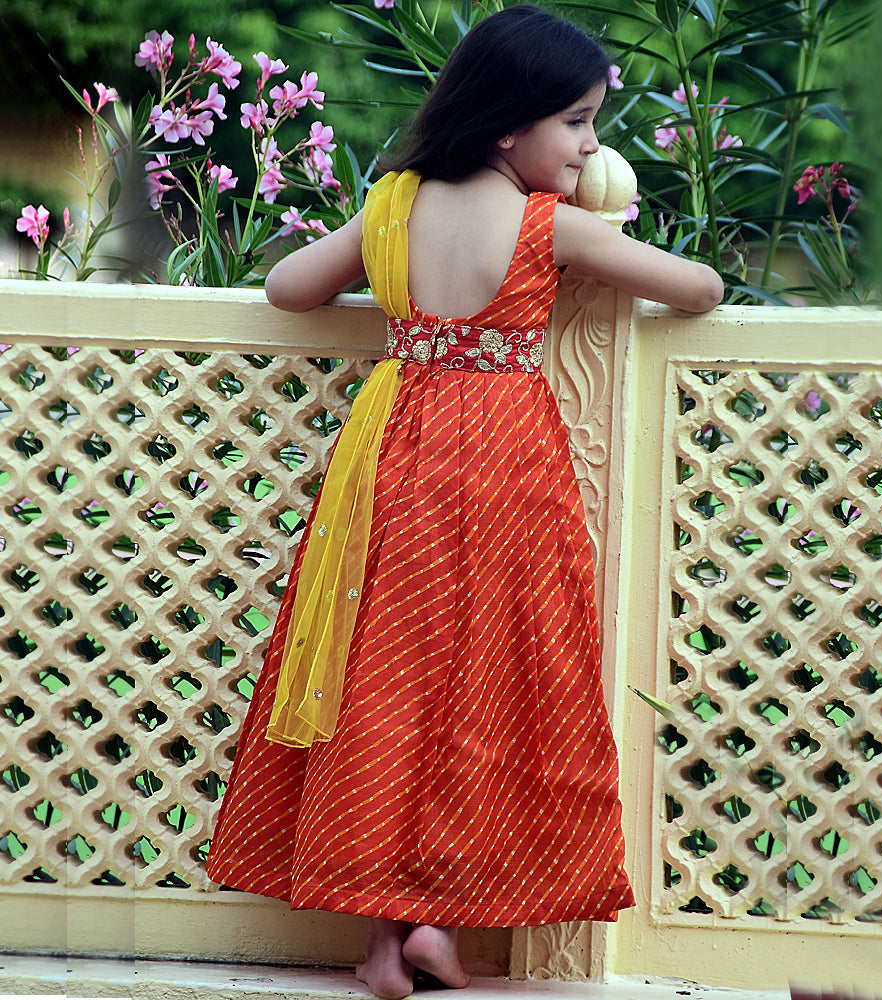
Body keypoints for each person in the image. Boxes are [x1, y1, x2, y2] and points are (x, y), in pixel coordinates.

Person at [206, 6, 723, 999]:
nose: (588, 146)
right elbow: (694, 289)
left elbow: (287, 287)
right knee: (487, 678)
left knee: (385, 680)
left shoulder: (394, 205)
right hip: (500, 467)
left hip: (394, 461)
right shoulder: (547, 225)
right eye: (575, 122)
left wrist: (380, 265)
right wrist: (607, 234)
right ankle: (438, 922)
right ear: (506, 126)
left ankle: (381, 943)